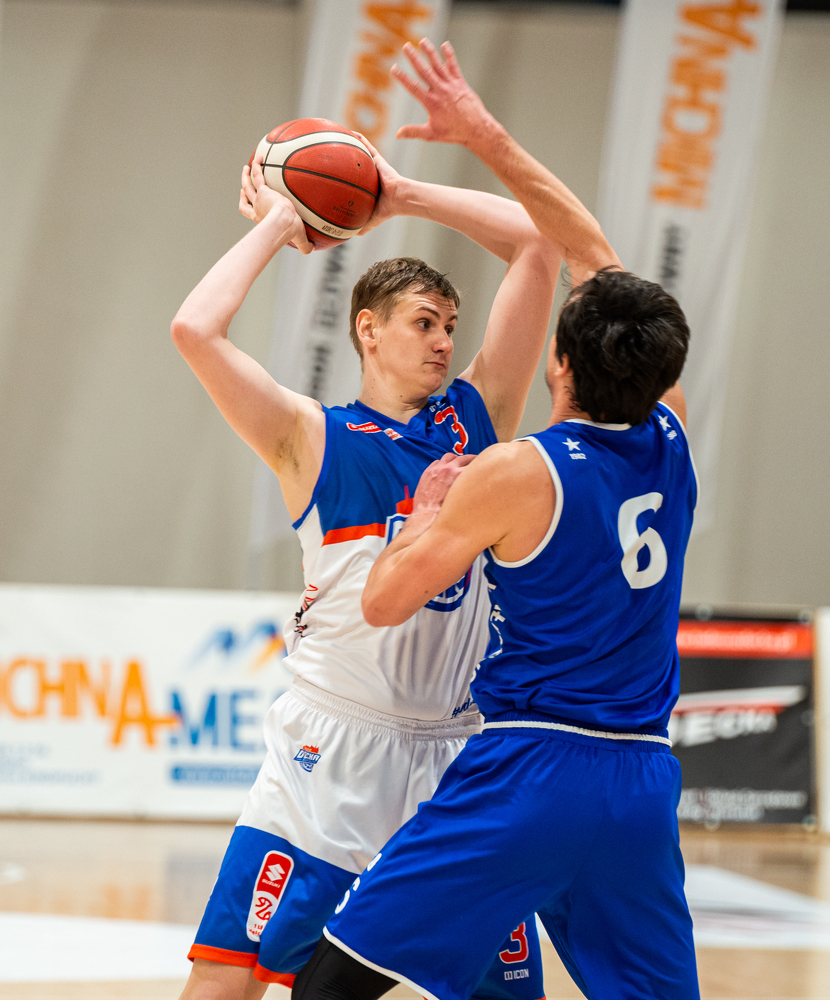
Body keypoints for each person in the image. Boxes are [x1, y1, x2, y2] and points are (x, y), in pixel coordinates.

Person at [290, 40, 700, 1000]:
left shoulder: (516, 471)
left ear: (561, 365)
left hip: (528, 771)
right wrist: (479, 141)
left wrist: (424, 513)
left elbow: (385, 602)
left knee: (330, 989)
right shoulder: (674, 437)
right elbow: (586, 252)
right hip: (642, 781)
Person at [170, 133, 562, 1000]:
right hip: (331, 751)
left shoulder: (480, 418)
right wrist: (281, 220)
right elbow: (195, 329)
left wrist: (399, 193)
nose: (443, 342)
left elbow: (537, 241)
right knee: (225, 983)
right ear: (368, 329)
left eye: (450, 327)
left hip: (455, 753)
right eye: (424, 323)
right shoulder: (310, 436)